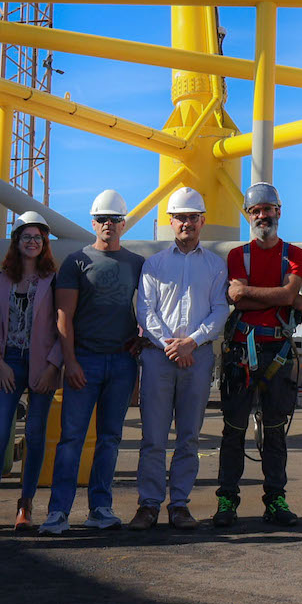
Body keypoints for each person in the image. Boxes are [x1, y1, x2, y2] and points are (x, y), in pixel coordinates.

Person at [40, 190, 143, 535]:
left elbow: (144, 313)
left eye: (114, 219)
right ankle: (58, 512)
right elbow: (63, 316)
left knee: (110, 438)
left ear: (123, 224)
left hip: (122, 362)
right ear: (93, 222)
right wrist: (70, 361)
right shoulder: (75, 262)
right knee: (71, 438)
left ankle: (101, 508)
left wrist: (137, 365)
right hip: (85, 359)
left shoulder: (137, 263)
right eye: (102, 219)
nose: (108, 225)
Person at [129, 187, 229, 531]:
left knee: (189, 435)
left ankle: (180, 504)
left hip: (196, 358)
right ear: (169, 221)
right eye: (180, 217)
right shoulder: (154, 265)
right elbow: (145, 309)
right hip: (159, 358)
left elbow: (219, 310)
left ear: (202, 221)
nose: (186, 223)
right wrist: (172, 345)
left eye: (192, 217)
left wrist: (192, 342)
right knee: (153, 436)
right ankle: (149, 504)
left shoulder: (216, 266)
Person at [216, 182, 302, 528]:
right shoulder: (237, 255)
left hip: (278, 352)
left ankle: (275, 499)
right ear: (248, 216)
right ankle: (227, 500)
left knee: (275, 429)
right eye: (255, 211)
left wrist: (275, 295)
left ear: (278, 212)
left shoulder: (294, 254)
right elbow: (241, 300)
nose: (261, 216)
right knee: (233, 428)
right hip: (242, 352)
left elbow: (275, 295)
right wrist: (284, 296)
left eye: (267, 210)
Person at [0, 212, 59, 532]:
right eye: (27, 237)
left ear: (44, 243)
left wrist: (53, 366)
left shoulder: (53, 281)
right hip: (8, 362)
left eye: (38, 237)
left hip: (41, 366)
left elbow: (62, 328)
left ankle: (25, 507)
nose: (32, 242)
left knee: (35, 437)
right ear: (17, 241)